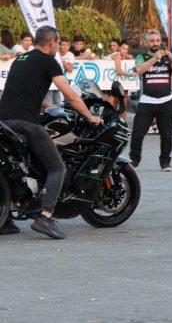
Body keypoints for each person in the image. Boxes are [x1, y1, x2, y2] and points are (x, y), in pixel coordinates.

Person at [0, 26, 102, 239]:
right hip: (26, 123)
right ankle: (45, 216)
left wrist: (46, 106)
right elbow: (70, 95)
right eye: (58, 42)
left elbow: (22, 91)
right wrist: (90, 116)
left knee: (15, 168)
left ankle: (6, 219)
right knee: (57, 168)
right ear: (52, 42)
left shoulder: (21, 59)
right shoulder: (48, 61)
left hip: (5, 121)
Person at [129, 30, 172, 172]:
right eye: (152, 41)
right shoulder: (141, 57)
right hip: (146, 101)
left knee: (167, 135)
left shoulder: (168, 56)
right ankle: (134, 161)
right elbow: (139, 70)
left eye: (158, 40)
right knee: (137, 133)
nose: (155, 43)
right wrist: (154, 58)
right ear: (146, 43)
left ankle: (165, 162)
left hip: (166, 101)